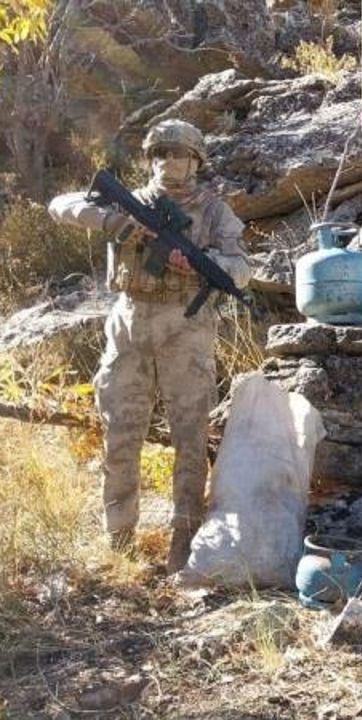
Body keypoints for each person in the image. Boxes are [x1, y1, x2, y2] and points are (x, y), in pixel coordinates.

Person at [48, 119, 253, 573]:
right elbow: (59, 205)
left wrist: (202, 265)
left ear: (196, 161)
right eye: (160, 153)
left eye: (178, 154)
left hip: (186, 322)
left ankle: (184, 535)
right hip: (130, 318)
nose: (168, 162)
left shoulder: (215, 211)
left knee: (190, 434)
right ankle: (118, 536)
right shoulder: (131, 202)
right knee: (120, 430)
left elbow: (240, 267)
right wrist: (113, 223)